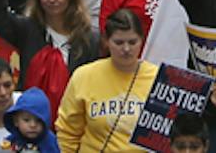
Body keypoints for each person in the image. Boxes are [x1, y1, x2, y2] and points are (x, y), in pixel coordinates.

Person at [54, 8, 154, 153]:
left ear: (142, 40)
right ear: (106, 41)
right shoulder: (84, 76)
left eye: (132, 42)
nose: (126, 49)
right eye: (119, 42)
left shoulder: (158, 77)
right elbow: (67, 132)